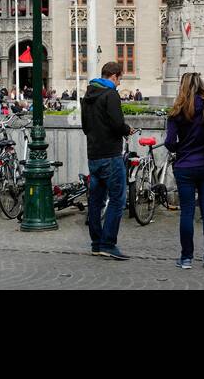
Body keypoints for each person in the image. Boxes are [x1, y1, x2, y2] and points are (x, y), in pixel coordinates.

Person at [164, 72, 204, 271]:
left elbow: (169, 143)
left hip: (185, 167)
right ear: (201, 86)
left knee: (187, 213)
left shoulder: (176, 112)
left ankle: (186, 259)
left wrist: (180, 150)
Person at [81, 61, 132, 261]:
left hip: (93, 154)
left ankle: (96, 243)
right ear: (113, 76)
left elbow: (85, 126)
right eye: (119, 79)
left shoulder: (88, 95)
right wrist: (127, 130)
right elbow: (117, 123)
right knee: (117, 199)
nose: (119, 84)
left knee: (96, 200)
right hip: (111, 154)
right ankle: (108, 244)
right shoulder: (110, 95)